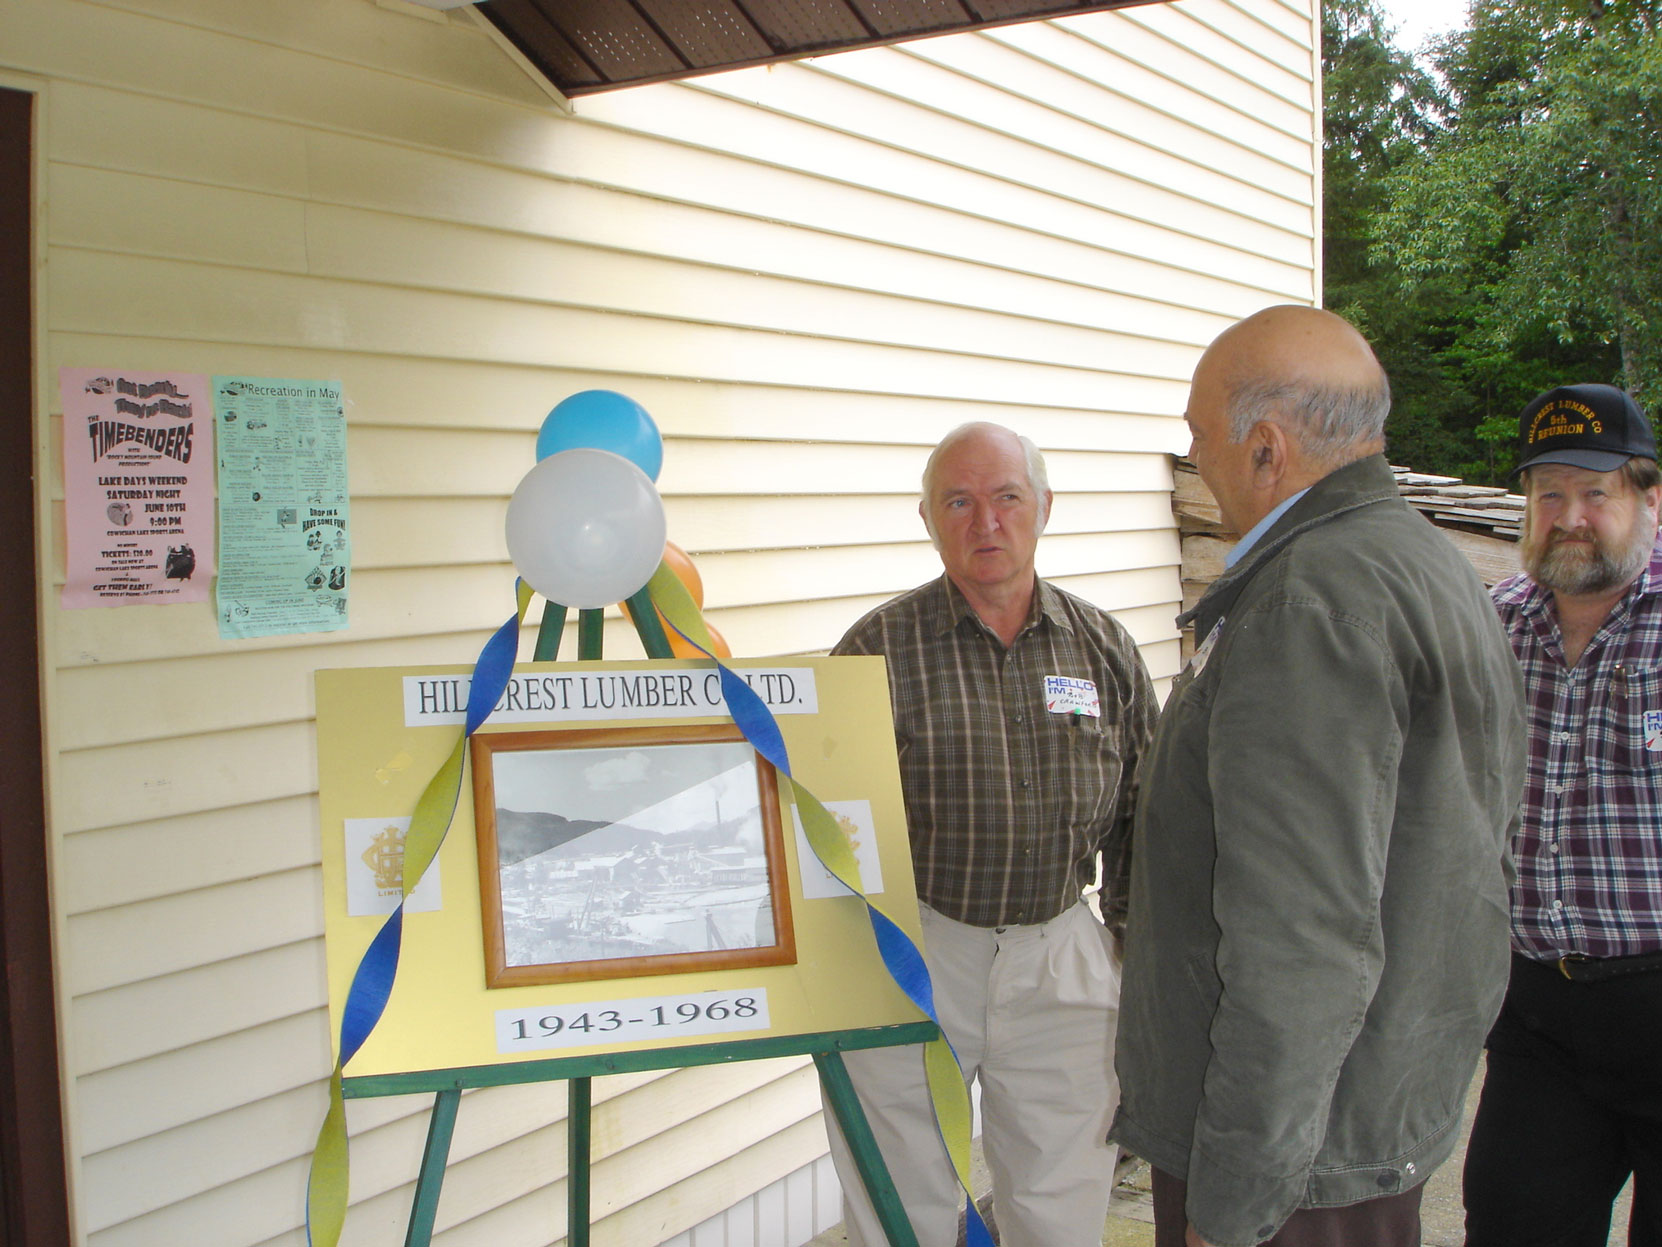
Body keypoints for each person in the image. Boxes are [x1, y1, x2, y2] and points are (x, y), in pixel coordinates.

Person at [1111, 305, 1526, 1247]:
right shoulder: (1426, 562)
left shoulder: (1309, 602)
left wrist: (1237, 1201)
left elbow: (1300, 943)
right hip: (1363, 1111)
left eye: (1198, 433)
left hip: (1295, 1162)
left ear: (1266, 450)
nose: (1195, 455)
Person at [824, 421, 1157, 1247]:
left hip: (1063, 954)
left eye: (1007, 497)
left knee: (1063, 1195)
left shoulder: (1104, 648)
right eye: (959, 502)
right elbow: (825, 820)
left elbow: (1146, 811)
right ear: (929, 518)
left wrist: (1125, 942)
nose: (986, 523)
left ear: (1044, 507)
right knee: (904, 1199)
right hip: (918, 949)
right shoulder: (874, 651)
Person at [1464, 383, 1662, 1247]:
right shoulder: (1490, 629)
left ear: (1649, 499)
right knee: (1511, 1224)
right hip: (1538, 1011)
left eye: (1596, 492)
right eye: (1549, 494)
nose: (1569, 515)